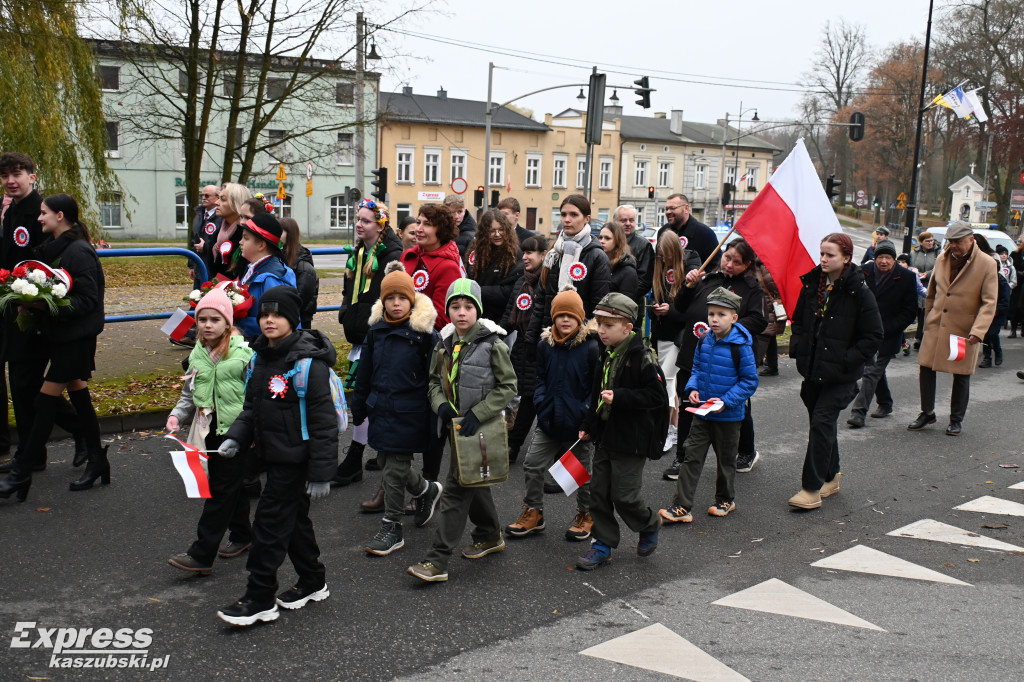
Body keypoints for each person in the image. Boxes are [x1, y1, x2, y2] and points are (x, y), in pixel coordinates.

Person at [216, 286, 338, 626]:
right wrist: (236, 438)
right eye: (265, 315)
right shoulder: (260, 357)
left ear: (293, 320)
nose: (270, 320)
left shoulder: (307, 365)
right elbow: (251, 407)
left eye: (278, 315)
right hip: (272, 454)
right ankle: (313, 580)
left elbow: (323, 422)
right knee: (294, 521)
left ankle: (259, 596)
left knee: (268, 525)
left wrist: (321, 472)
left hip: (295, 460)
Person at [0, 194, 108, 501]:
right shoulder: (58, 249)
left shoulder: (78, 252)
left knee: (44, 401)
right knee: (79, 395)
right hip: (64, 337)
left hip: (77, 338)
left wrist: (43, 306)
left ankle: (21, 474)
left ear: (60, 216)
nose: (38, 218)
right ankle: (98, 459)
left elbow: (87, 301)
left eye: (44, 213)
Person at [408, 279, 517, 583]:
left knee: (456, 490)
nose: (461, 312)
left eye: (468, 307)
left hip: (478, 429)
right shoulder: (444, 344)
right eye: (455, 306)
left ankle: (437, 560)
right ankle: (490, 535)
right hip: (455, 429)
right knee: (474, 482)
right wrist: (440, 404)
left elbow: (508, 387)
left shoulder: (493, 344)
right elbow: (432, 382)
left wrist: (479, 413)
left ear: (478, 311)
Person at [350, 266, 442, 556]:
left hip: (410, 412)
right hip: (381, 408)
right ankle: (426, 490)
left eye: (402, 297)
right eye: (390, 298)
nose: (396, 303)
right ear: (383, 301)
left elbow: (435, 379)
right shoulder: (376, 332)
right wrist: (359, 404)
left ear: (412, 300)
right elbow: (364, 372)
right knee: (389, 459)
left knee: (395, 466)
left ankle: (392, 525)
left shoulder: (425, 335)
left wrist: (434, 416)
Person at [788, 233, 882, 510]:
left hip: (841, 375)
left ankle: (811, 488)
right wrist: (800, 350)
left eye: (830, 255)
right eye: (822, 254)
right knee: (822, 425)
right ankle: (831, 476)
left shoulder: (859, 291)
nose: (824, 259)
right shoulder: (813, 285)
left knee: (821, 421)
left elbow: (873, 335)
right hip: (814, 371)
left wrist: (846, 360)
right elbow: (800, 322)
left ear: (846, 258)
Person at [166, 288, 255, 574]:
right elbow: (189, 393)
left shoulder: (244, 355)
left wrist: (251, 431)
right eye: (201, 318)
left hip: (237, 430)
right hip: (208, 429)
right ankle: (243, 536)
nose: (206, 324)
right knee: (231, 485)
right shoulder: (197, 355)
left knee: (219, 490)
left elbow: (254, 397)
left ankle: (202, 554)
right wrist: (176, 416)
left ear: (227, 323)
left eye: (214, 319)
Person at [576, 293, 667, 571]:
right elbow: (596, 394)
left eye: (608, 325)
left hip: (632, 439)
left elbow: (656, 396)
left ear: (628, 328)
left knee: (624, 495)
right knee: (599, 493)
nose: (601, 330)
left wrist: (622, 396)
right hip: (606, 436)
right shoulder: (605, 351)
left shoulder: (643, 357)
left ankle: (649, 523)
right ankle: (602, 544)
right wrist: (589, 425)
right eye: (599, 323)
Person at [664, 240, 765, 480]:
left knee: (737, 407)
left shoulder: (752, 288)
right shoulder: (707, 278)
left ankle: (746, 451)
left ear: (747, 264)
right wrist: (688, 286)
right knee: (689, 404)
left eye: (736, 262)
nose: (729, 264)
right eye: (727, 257)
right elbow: (679, 307)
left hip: (728, 359)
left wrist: (727, 329)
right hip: (694, 353)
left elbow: (759, 320)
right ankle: (683, 457)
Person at [506, 290, 600, 542]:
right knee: (532, 464)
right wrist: (541, 402)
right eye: (561, 315)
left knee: (582, 474)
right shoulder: (544, 346)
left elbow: (596, 388)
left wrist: (586, 416)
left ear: (580, 318)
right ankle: (534, 512)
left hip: (579, 426)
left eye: (571, 315)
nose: (565, 320)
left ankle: (586, 515)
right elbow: (541, 379)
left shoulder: (591, 347)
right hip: (548, 420)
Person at [660, 287, 757, 523]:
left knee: (725, 462)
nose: (714, 319)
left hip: (729, 416)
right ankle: (681, 506)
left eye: (721, 314)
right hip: (702, 413)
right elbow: (697, 369)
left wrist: (726, 401)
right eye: (711, 313)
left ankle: (725, 499)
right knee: (691, 457)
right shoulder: (704, 340)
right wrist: (692, 389)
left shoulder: (740, 346)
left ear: (734, 317)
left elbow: (749, 381)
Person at [336, 199, 403, 487]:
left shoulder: (392, 255)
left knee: (366, 398)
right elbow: (349, 287)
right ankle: (374, 454)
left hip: (376, 339)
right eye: (358, 219)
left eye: (365, 220)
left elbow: (392, 299)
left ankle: (357, 458)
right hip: (359, 337)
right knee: (364, 398)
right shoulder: (360, 251)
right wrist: (344, 309)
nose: (359, 224)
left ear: (380, 225)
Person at [910, 222, 997, 436]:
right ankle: (927, 412)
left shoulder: (986, 263)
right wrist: (929, 316)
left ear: (971, 240)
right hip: (936, 325)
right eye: (950, 242)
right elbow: (932, 291)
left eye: (958, 242)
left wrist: (979, 329)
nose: (953, 246)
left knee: (961, 374)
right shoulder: (942, 258)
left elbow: (989, 301)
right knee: (926, 367)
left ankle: (956, 419)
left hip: (963, 329)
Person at [0, 152, 45, 470]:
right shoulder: (11, 211)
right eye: (5, 175)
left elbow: (44, 259)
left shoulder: (40, 211)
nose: (10, 180)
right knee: (22, 383)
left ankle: (85, 437)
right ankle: (31, 454)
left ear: (32, 175)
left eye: (17, 173)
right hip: (12, 305)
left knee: (27, 383)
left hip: (33, 309)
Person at [846, 240, 918, 428]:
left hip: (888, 334)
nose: (883, 261)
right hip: (864, 332)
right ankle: (885, 403)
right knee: (876, 371)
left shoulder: (906, 278)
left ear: (894, 259)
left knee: (871, 371)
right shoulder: (863, 272)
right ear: (875, 258)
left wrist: (888, 328)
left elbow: (910, 311)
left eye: (888, 257)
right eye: (880, 257)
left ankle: (858, 412)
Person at [526, 195, 611, 347]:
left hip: (580, 341)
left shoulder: (597, 257)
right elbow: (541, 300)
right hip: (549, 336)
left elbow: (598, 307)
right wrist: (532, 337)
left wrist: (586, 340)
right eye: (563, 214)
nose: (566, 219)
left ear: (587, 218)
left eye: (574, 215)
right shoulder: (554, 252)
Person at [499, 235, 548, 463]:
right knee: (525, 397)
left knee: (530, 399)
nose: (525, 257)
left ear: (543, 255)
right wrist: (492, 335)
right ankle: (514, 445)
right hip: (522, 347)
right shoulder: (522, 281)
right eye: (524, 252)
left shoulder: (548, 281)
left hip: (541, 348)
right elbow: (509, 316)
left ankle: (514, 446)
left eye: (530, 253)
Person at [649, 232, 693, 453]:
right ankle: (673, 428)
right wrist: (655, 310)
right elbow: (652, 302)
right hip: (662, 337)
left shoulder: (687, 272)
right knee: (669, 384)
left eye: (666, 256)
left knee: (666, 381)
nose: (663, 260)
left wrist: (670, 311)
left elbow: (691, 311)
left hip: (678, 338)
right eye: (660, 256)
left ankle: (666, 431)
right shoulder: (659, 270)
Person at [401, 203, 466, 331]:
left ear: (441, 230)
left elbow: (442, 320)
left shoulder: (448, 267)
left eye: (427, 224)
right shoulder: (408, 255)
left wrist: (399, 312)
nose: (418, 229)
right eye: (418, 222)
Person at [234, 213, 297, 341]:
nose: (240, 242)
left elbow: (276, 323)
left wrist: (233, 322)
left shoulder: (271, 278)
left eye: (246, 238)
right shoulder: (252, 268)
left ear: (261, 245)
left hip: (267, 348)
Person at [470, 208, 523, 319]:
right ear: (485, 232)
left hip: (501, 316)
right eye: (492, 231)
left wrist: (479, 291)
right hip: (477, 314)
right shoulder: (476, 251)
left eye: (501, 229)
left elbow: (510, 290)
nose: (497, 234)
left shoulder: (514, 254)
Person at [657, 193, 720, 270]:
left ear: (686, 208)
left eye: (672, 208)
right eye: (666, 209)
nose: (668, 212)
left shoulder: (705, 233)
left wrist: (698, 278)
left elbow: (714, 266)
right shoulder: (662, 232)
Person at [204, 183, 252, 281]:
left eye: (223, 199)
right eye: (218, 198)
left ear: (237, 203)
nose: (217, 203)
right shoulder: (218, 231)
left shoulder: (246, 235)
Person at [280, 218, 319, 330]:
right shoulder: (281, 258)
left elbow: (301, 300)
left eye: (281, 231)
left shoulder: (303, 267)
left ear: (290, 234)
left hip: (298, 322)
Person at [614, 204, 655, 312]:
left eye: (631, 220)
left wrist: (620, 297)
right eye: (623, 220)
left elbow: (645, 281)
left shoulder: (644, 245)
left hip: (631, 306)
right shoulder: (609, 241)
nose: (628, 224)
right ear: (615, 222)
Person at [753, 261, 785, 377]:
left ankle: (750, 370)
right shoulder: (761, 265)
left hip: (768, 306)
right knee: (770, 335)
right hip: (766, 306)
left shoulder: (764, 265)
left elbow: (773, 286)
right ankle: (772, 367)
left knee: (763, 335)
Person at [910, 231, 941, 349]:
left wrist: (927, 274)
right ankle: (918, 336)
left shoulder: (938, 253)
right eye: (927, 241)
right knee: (917, 311)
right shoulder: (914, 253)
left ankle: (921, 338)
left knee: (926, 313)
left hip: (931, 285)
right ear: (921, 242)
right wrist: (915, 273)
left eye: (932, 240)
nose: (930, 243)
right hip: (917, 286)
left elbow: (939, 267)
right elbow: (910, 265)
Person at [980, 258, 1011, 368]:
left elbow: (1005, 301)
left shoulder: (1002, 282)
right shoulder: (983, 281)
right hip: (985, 311)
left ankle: (998, 351)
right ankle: (987, 358)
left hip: (997, 313)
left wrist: (995, 310)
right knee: (985, 335)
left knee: (992, 333)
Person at [598, 221, 638, 302]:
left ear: (618, 241)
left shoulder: (628, 270)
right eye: (600, 237)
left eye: (607, 238)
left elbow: (624, 304)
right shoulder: (599, 263)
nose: (602, 241)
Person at [190, 185, 222, 287]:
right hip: (198, 265)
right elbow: (193, 240)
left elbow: (221, 242)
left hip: (212, 268)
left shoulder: (221, 217)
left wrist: (205, 247)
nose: (203, 198)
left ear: (217, 197)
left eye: (207, 195)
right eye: (202, 195)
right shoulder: (199, 215)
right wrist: (191, 265)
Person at [443, 194, 477, 260]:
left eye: (460, 212)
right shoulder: (438, 230)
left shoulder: (472, 235)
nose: (456, 216)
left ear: (465, 210)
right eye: (451, 212)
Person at [1009, 240, 1024, 337]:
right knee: (1015, 307)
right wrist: (1018, 273)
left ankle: (1023, 329)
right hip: (1017, 285)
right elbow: (1011, 266)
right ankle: (1013, 330)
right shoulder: (1015, 254)